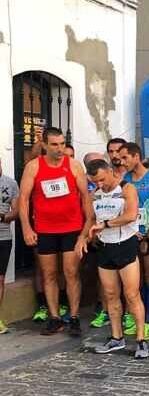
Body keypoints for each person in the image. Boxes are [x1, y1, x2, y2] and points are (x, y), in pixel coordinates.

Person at [18, 127, 90, 337]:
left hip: (71, 227)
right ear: (44, 145)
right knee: (49, 274)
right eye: (55, 145)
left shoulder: (74, 165)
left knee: (70, 272)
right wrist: (26, 227)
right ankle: (54, 317)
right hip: (45, 229)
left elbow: (85, 197)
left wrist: (86, 229)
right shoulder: (34, 166)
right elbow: (23, 199)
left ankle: (74, 316)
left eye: (62, 144)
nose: (60, 149)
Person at [78, 159, 149, 359]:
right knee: (110, 294)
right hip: (105, 247)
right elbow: (91, 220)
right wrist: (82, 239)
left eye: (101, 179)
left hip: (125, 244)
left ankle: (141, 340)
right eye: (95, 182)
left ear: (110, 172)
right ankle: (116, 337)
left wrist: (107, 224)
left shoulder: (126, 189)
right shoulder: (95, 195)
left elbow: (131, 215)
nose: (99, 184)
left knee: (132, 294)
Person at [119, 142, 149, 340]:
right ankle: (133, 316)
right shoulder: (124, 178)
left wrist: (148, 236)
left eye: (125, 158)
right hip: (129, 235)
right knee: (132, 281)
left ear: (136, 156)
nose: (121, 162)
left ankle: (147, 319)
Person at [0, 158, 19, 335]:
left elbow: (16, 211)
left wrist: (3, 217)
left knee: (0, 280)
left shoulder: (10, 183)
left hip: (3, 237)